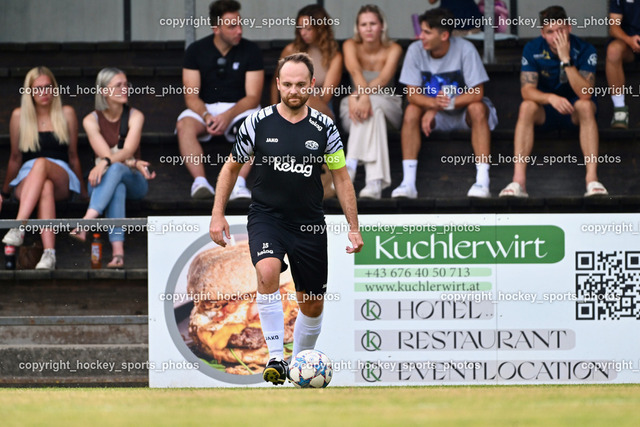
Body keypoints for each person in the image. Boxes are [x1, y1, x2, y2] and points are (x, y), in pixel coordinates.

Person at [210, 53, 364, 386]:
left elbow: (341, 178)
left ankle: (300, 364)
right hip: (267, 217)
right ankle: (276, 358)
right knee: (266, 270)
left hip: (309, 222)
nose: (294, 91)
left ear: (312, 84)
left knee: (312, 304)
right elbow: (231, 168)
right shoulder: (257, 122)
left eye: (300, 84)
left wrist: (353, 227)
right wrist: (217, 213)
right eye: (288, 84)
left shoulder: (325, 127)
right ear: (278, 84)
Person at [499, 6, 608, 198]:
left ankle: (592, 180)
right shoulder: (533, 48)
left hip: (574, 110)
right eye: (550, 32)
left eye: (561, 30)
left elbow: (585, 94)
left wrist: (566, 60)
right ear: (542, 33)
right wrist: (550, 98)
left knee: (585, 106)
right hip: (546, 110)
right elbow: (526, 91)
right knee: (526, 107)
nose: (556, 37)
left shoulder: (585, 49)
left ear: (569, 28)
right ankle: (518, 182)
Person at [392, 8, 498, 199]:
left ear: (444, 35)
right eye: (422, 31)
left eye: (427, 32)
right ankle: (408, 183)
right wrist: (433, 105)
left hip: (464, 114)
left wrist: (440, 105)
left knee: (477, 108)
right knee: (411, 111)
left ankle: (482, 181)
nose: (421, 36)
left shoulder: (465, 49)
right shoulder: (415, 50)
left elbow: (477, 92)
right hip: (435, 116)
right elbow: (412, 95)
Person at [176, 0, 264, 199]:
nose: (239, 30)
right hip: (204, 108)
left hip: (239, 109)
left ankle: (238, 184)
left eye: (240, 24)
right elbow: (191, 96)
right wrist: (206, 116)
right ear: (216, 28)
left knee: (254, 125)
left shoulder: (251, 50)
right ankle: (200, 182)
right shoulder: (196, 50)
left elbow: (253, 97)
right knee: (184, 125)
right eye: (232, 26)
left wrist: (227, 116)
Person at [69, 68, 155, 268]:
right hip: (101, 182)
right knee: (117, 186)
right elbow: (108, 154)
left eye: (126, 84)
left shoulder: (135, 116)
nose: (125, 89)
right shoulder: (90, 120)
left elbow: (126, 151)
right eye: (118, 85)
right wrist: (130, 161)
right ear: (104, 91)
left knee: (115, 170)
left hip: (134, 180)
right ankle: (118, 253)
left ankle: (86, 221)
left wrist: (109, 162)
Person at [1, 66, 85, 269]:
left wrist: (84, 193)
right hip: (27, 177)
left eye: (48, 87)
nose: (44, 92)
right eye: (37, 88)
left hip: (61, 175)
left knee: (41, 163)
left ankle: (18, 227)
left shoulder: (66, 113)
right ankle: (49, 254)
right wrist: (3, 193)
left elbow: (73, 156)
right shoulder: (19, 116)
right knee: (44, 186)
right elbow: (15, 158)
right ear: (29, 92)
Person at [339, 5, 403, 199]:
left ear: (382, 26)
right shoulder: (350, 45)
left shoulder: (394, 48)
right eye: (363, 24)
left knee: (374, 105)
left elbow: (383, 79)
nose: (368, 28)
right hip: (357, 106)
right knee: (374, 112)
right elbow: (355, 71)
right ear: (357, 28)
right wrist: (362, 97)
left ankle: (349, 166)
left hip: (388, 103)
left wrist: (361, 95)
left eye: (373, 24)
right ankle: (374, 182)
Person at [270, 4, 342, 119]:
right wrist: (273, 113)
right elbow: (275, 84)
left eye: (308, 28)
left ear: (320, 28)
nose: (303, 33)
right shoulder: (291, 50)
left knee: (305, 102)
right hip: (289, 106)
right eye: (300, 28)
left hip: (321, 110)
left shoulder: (334, 57)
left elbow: (325, 97)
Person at [606, 0, 640, 129]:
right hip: (628, 43)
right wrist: (629, 40)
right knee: (613, 51)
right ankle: (619, 110)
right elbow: (613, 27)